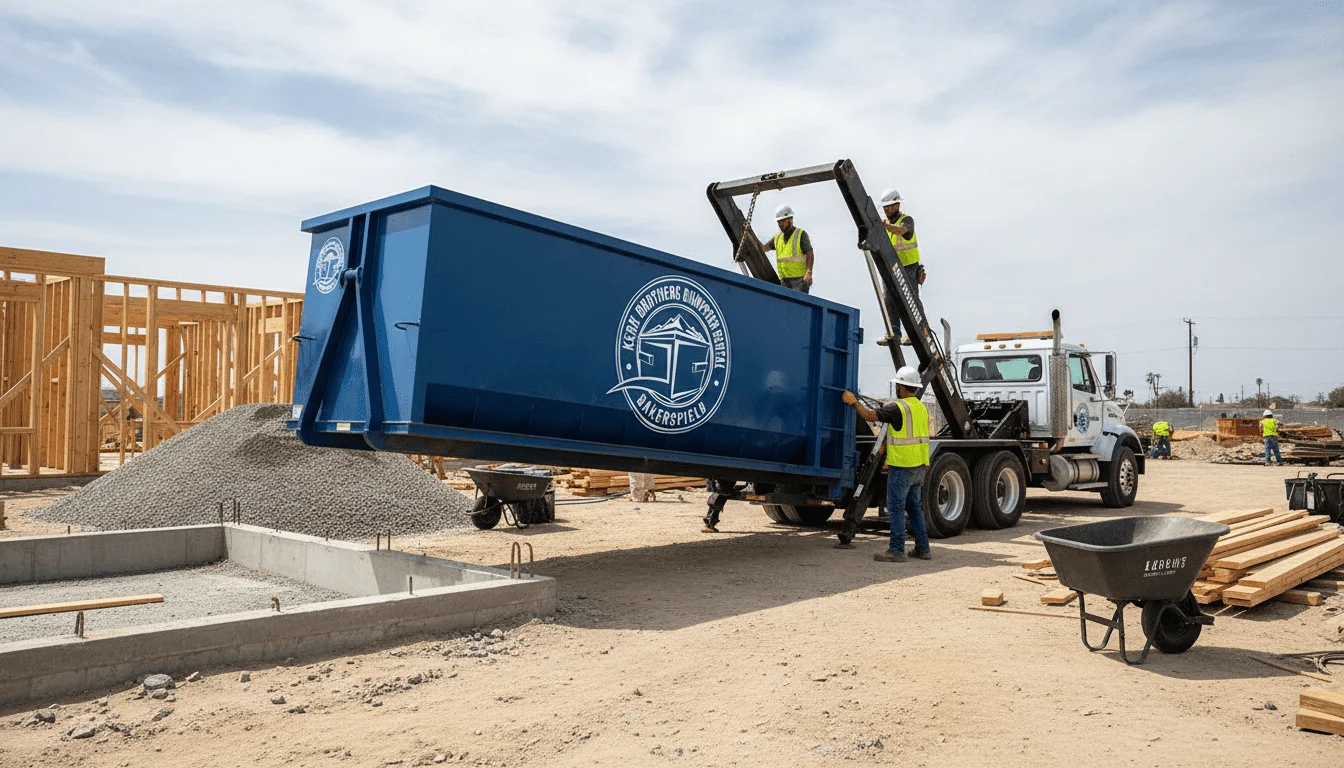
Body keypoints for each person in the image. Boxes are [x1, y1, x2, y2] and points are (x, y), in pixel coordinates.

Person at [841, 365, 931, 562]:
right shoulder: (921, 408)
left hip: (901, 469)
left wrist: (853, 402)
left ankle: (897, 550)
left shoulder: (897, 408)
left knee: (896, 509)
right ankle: (923, 548)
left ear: (901, 387)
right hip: (918, 468)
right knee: (915, 508)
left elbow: (869, 416)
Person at [879, 189, 924, 341]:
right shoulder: (883, 224)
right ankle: (894, 332)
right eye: (885, 208)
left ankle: (919, 331)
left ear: (897, 205)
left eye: (890, 207)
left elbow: (901, 230)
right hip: (891, 266)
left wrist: (885, 226)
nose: (887, 210)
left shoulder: (906, 220)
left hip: (909, 267)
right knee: (889, 299)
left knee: (910, 299)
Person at [761, 204, 814, 293]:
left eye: (782, 221)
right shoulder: (777, 238)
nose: (780, 224)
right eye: (779, 222)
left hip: (799, 281)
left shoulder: (800, 234)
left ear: (790, 219)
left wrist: (809, 272)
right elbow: (763, 248)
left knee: (797, 305)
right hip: (784, 281)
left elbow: (810, 254)